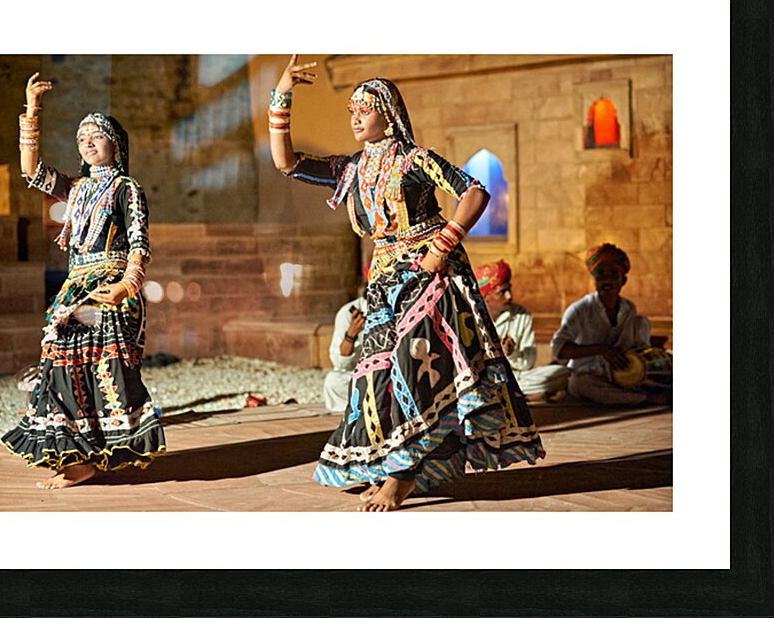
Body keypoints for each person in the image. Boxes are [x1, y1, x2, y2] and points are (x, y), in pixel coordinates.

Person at [269, 55, 544, 511]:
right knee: (375, 378)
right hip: (383, 283)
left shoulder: (417, 160)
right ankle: (391, 465)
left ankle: (402, 477)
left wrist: (441, 246)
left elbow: (475, 191)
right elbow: (287, 163)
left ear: (389, 114)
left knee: (412, 367)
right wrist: (282, 95)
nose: (355, 117)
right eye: (352, 110)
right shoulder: (351, 169)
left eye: (366, 108)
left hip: (429, 276)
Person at [0, 73, 166, 489]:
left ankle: (86, 460)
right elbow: (31, 172)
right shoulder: (75, 190)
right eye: (81, 138)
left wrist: (127, 285)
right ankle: (79, 457)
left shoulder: (127, 188)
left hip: (109, 288)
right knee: (62, 366)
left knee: (100, 368)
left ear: (116, 145)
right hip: (74, 289)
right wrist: (32, 111)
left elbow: (139, 242)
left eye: (97, 136)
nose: (88, 143)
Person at [551, 243, 659, 406]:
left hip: (621, 375)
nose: (607, 280)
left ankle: (632, 393)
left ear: (623, 280)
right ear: (595, 280)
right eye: (601, 274)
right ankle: (643, 399)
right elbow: (559, 349)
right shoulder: (580, 309)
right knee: (579, 384)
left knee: (642, 324)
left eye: (614, 274)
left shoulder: (629, 309)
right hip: (588, 375)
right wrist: (601, 350)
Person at [475, 260, 569, 401]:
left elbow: (528, 363)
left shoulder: (521, 314)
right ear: (485, 297)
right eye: (502, 292)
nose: (509, 296)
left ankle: (508, 396)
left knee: (563, 373)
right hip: (484, 378)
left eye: (509, 289)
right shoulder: (471, 317)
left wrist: (511, 353)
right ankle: (521, 397)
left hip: (517, 377)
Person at [323, 268, 369, 413]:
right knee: (333, 382)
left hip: (392, 374)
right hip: (364, 375)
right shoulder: (348, 312)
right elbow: (340, 364)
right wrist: (351, 334)